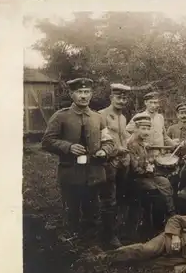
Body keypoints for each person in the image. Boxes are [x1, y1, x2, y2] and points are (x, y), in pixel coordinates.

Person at [41, 78, 115, 242]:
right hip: (71, 173)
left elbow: (108, 141)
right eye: (79, 92)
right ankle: (71, 241)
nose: (83, 96)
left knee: (92, 208)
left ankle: (90, 243)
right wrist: (68, 147)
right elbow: (46, 141)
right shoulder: (61, 116)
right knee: (72, 210)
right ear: (71, 94)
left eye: (87, 92)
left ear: (91, 94)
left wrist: (104, 150)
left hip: (94, 173)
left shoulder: (98, 118)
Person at [86, 200, 186, 273]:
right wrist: (175, 237)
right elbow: (176, 219)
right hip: (169, 241)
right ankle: (101, 257)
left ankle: (113, 262)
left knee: (148, 265)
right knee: (145, 251)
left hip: (181, 258)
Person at [126, 115, 176, 238]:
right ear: (136, 129)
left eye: (148, 129)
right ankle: (155, 227)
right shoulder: (132, 144)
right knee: (157, 195)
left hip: (146, 176)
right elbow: (135, 169)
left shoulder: (143, 143)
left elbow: (147, 162)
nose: (146, 132)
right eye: (143, 129)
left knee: (165, 183)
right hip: (135, 179)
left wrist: (151, 163)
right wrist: (147, 169)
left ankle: (171, 216)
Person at [97, 83, 133, 248]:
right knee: (108, 199)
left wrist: (127, 153)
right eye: (118, 97)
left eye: (124, 98)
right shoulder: (101, 115)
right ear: (111, 98)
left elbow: (124, 137)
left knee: (121, 197)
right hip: (109, 162)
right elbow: (98, 140)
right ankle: (108, 236)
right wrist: (115, 150)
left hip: (123, 162)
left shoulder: (123, 117)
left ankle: (118, 230)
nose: (121, 101)